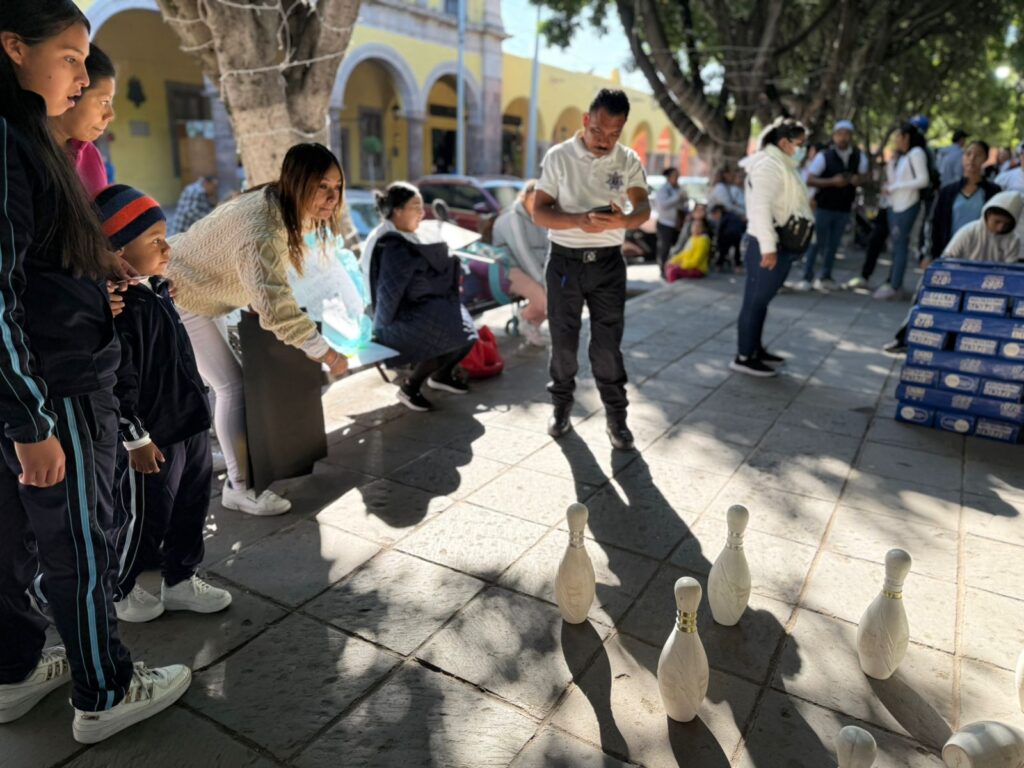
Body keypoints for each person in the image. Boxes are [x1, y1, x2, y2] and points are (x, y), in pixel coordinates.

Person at [0, 1, 189, 742]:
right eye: (72, 58)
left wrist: (92, 269)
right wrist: (29, 421)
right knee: (80, 541)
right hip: (57, 385)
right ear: (14, 47)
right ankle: (105, 690)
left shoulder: (27, 135)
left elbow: (36, 263)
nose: (82, 79)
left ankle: (13, 670)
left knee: (18, 539)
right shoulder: (10, 141)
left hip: (43, 378)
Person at [166, 143, 349, 516]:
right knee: (231, 386)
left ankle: (228, 459)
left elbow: (258, 283)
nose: (332, 198)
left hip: (197, 290)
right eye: (322, 186)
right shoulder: (264, 226)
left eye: (337, 187)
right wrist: (328, 354)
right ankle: (239, 488)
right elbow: (277, 310)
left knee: (223, 387)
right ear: (297, 182)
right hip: (183, 293)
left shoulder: (272, 201)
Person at [93, 185, 232, 623]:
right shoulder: (117, 308)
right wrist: (135, 437)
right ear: (118, 250)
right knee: (143, 516)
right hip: (152, 436)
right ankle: (120, 588)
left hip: (189, 422)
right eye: (154, 240)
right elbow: (117, 381)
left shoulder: (155, 290)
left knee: (192, 504)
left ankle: (181, 579)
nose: (167, 248)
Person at [532, 88, 651, 450]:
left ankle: (617, 418)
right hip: (564, 261)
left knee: (607, 347)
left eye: (614, 134)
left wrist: (624, 220)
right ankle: (561, 407)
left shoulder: (627, 159)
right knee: (563, 342)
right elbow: (539, 212)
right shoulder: (558, 156)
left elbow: (643, 209)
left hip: (608, 264)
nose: (604, 141)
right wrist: (578, 220)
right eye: (598, 130)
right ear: (586, 120)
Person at [367, 182, 477, 412]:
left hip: (427, 306)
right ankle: (410, 388)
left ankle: (441, 376)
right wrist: (379, 330)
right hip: (396, 316)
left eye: (421, 206)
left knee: (467, 333)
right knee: (446, 338)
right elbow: (386, 294)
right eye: (415, 207)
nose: (422, 213)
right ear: (397, 211)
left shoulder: (415, 233)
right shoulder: (390, 242)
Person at [884, 192, 1022, 355]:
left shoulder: (1013, 240)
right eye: (997, 222)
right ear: (988, 214)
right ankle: (903, 338)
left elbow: (1009, 272)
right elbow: (947, 260)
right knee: (922, 297)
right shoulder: (968, 231)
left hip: (992, 290)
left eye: (1005, 224)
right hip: (959, 283)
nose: (1000, 228)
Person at [732, 117, 813, 377]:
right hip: (764, 243)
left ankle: (755, 349)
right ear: (784, 143)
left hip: (776, 242)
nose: (802, 149)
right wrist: (768, 248)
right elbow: (760, 208)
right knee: (754, 301)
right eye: (799, 144)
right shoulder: (768, 165)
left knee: (761, 301)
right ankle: (744, 356)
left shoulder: (783, 165)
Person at [795, 120, 869, 291]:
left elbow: (865, 177)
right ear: (834, 136)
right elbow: (810, 179)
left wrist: (858, 180)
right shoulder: (824, 156)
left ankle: (826, 276)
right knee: (816, 242)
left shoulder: (859, 156)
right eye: (840, 134)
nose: (843, 137)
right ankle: (807, 276)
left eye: (846, 134)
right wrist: (832, 182)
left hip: (844, 207)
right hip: (824, 206)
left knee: (833, 244)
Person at [49, 42, 114, 198]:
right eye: (104, 102)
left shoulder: (89, 154)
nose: (110, 115)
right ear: (71, 93)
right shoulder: (20, 151)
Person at [872, 123, 930, 300]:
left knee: (900, 245)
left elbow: (923, 180)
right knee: (896, 246)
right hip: (894, 205)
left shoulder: (917, 153)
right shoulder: (902, 156)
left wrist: (897, 186)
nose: (896, 140)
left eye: (898, 136)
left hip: (907, 205)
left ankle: (895, 285)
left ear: (906, 137)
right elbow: (893, 179)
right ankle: (893, 281)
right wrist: (891, 165)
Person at [491, 179, 550, 346]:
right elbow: (522, 252)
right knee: (544, 302)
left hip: (532, 269)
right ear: (524, 197)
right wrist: (542, 279)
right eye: (533, 199)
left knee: (558, 298)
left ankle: (532, 325)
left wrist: (551, 274)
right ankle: (523, 317)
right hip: (509, 268)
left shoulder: (540, 218)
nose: (537, 204)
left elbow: (548, 248)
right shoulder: (512, 217)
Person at [930, 140, 1001, 265]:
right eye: (968, 154)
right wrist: (930, 254)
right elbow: (935, 223)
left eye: (978, 155)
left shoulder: (993, 191)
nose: (972, 159)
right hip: (950, 252)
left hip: (981, 255)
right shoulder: (948, 191)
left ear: (985, 158)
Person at [653, 167, 688, 277]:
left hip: (677, 223)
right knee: (665, 248)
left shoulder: (678, 189)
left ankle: (673, 269)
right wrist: (678, 197)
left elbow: (683, 205)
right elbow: (663, 205)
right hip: (665, 223)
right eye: (674, 176)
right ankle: (663, 269)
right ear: (668, 177)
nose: (677, 178)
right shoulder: (663, 190)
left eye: (678, 176)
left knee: (677, 247)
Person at [707, 203, 745, 272]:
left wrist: (718, 241)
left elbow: (720, 230)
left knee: (723, 251)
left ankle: (719, 265)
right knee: (737, 251)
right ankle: (737, 266)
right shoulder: (732, 215)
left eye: (714, 215)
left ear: (718, 212)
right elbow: (742, 225)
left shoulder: (724, 217)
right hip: (737, 234)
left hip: (728, 235)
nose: (715, 217)